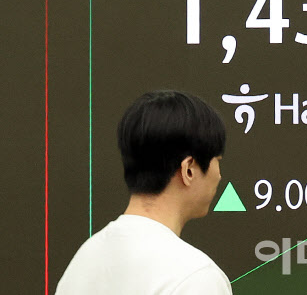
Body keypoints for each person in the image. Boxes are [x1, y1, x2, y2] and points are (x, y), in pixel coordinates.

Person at [56, 90, 233, 294]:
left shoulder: (83, 261)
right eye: (217, 161)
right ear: (189, 170)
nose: (219, 175)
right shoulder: (197, 277)